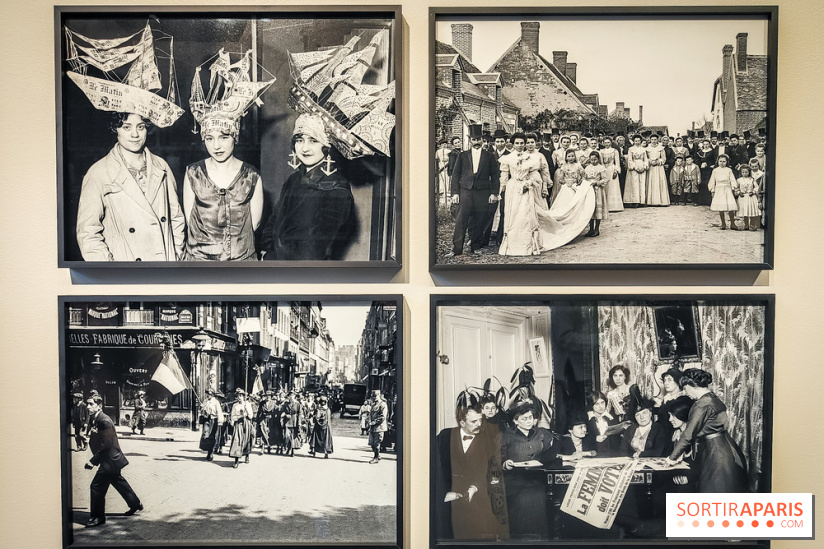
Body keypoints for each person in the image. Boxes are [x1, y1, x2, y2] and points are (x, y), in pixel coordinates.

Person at [76, 112, 186, 261]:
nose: (135, 134)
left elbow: (176, 217)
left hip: (163, 266)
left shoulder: (162, 166)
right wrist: (108, 268)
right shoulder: (99, 172)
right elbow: (88, 231)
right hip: (124, 268)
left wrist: (176, 254)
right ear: (116, 129)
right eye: (127, 127)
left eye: (140, 127)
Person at [260, 113, 356, 260]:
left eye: (313, 141)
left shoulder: (337, 189)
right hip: (278, 266)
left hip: (308, 272)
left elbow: (313, 251)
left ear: (327, 145)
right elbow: (274, 220)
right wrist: (266, 249)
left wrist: (271, 257)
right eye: (299, 140)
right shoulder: (293, 180)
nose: (304, 148)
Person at [182, 122, 263, 261]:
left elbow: (254, 224)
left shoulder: (251, 175)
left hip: (241, 262)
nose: (216, 146)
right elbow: (190, 221)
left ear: (235, 137)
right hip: (199, 262)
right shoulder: (193, 172)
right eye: (209, 138)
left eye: (224, 137)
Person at [665, 369, 748, 493]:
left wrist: (672, 458)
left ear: (689, 386)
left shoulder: (702, 404)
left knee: (714, 490)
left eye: (685, 388)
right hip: (726, 447)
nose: (685, 392)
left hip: (715, 452)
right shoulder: (714, 398)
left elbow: (688, 434)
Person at [435, 405, 509, 541]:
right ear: (462, 423)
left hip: (479, 489)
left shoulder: (488, 440)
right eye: (474, 422)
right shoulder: (445, 436)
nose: (479, 425)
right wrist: (445, 492)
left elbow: (491, 471)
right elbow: (434, 468)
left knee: (480, 523)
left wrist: (474, 488)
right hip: (449, 490)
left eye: (480, 420)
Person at [83, 396, 143, 527]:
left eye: (90, 404)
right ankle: (135, 504)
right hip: (110, 460)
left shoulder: (105, 420)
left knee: (96, 487)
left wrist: (93, 461)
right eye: (87, 404)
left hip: (110, 461)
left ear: (99, 405)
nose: (88, 407)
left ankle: (98, 517)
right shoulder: (96, 418)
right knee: (118, 481)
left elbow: (107, 444)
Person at [501, 403, 557, 540]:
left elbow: (554, 449)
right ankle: (519, 539)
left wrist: (547, 459)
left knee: (539, 496)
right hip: (514, 477)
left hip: (537, 476)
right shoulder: (507, 436)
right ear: (515, 421)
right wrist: (505, 464)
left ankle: (540, 538)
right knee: (521, 498)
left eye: (530, 418)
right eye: (524, 419)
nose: (528, 421)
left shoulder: (541, 433)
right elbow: (497, 458)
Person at [448, 124, 500, 257]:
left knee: (479, 220)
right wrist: (454, 193)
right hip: (465, 191)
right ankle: (456, 249)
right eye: (473, 139)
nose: (476, 142)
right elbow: (455, 175)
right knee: (461, 220)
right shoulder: (463, 156)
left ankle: (475, 247)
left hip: (483, 192)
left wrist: (494, 193)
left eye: (478, 139)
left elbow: (495, 177)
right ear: (470, 140)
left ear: (482, 140)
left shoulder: (489, 156)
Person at [498, 132, 549, 256]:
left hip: (526, 187)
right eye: (517, 143)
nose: (520, 146)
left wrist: (528, 184)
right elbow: (504, 176)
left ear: (525, 144)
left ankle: (527, 246)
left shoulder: (532, 158)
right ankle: (511, 246)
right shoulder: (508, 158)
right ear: (513, 144)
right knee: (513, 214)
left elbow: (535, 176)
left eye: (522, 143)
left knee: (526, 215)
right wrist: (501, 190)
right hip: (513, 187)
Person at [585, 391, 627, 457]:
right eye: (597, 404)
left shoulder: (611, 417)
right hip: (593, 454)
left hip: (611, 454)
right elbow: (579, 438)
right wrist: (594, 439)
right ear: (591, 405)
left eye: (602, 403)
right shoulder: (586, 419)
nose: (600, 406)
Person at [708, 154, 739, 230]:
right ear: (717, 161)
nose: (722, 163)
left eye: (724, 161)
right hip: (719, 189)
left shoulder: (729, 170)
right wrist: (712, 190)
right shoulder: (715, 170)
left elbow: (732, 179)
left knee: (730, 207)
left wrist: (734, 187)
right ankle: (723, 223)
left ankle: (732, 223)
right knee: (721, 206)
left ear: (727, 162)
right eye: (720, 161)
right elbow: (712, 181)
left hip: (727, 189)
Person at [584, 151, 609, 237]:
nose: (593, 161)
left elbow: (605, 179)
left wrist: (597, 183)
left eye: (595, 159)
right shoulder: (587, 168)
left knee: (597, 208)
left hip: (598, 190)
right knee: (591, 208)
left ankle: (597, 229)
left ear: (598, 159)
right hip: (589, 189)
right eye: (591, 160)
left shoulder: (601, 168)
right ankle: (591, 229)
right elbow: (584, 177)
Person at [229, 389, 254, 468]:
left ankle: (247, 455)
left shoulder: (247, 404)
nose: (239, 397)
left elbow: (251, 416)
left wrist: (246, 410)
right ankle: (236, 460)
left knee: (246, 440)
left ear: (243, 396)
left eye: (241, 396)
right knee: (237, 441)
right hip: (238, 424)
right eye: (238, 396)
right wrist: (237, 418)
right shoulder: (235, 405)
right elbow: (232, 416)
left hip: (246, 424)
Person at [733, 164, 761, 231]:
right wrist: (739, 192)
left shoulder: (752, 179)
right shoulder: (739, 180)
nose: (745, 174)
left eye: (746, 172)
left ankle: (752, 224)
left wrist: (753, 192)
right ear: (741, 172)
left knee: (751, 210)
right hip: (743, 197)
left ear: (749, 172)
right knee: (744, 211)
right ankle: (746, 224)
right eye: (743, 172)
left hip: (750, 197)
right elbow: (736, 188)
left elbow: (757, 187)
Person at [199, 389, 225, 461]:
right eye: (207, 394)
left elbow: (219, 412)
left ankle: (210, 453)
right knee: (205, 435)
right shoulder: (205, 401)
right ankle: (208, 450)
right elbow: (202, 411)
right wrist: (202, 408)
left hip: (213, 420)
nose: (208, 395)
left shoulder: (216, 402)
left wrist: (220, 421)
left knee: (212, 437)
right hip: (206, 420)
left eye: (209, 394)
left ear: (212, 394)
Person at [645, 133, 670, 206]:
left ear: (657, 140)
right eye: (652, 139)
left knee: (659, 181)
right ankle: (650, 201)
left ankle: (661, 200)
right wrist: (650, 162)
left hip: (659, 168)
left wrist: (658, 161)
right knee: (651, 182)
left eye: (655, 139)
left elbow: (664, 158)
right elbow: (645, 158)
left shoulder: (661, 148)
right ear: (650, 140)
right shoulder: (647, 148)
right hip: (651, 168)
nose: (653, 141)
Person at [599, 136, 623, 212]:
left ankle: (614, 206)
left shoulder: (614, 151)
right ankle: (605, 206)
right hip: (604, 169)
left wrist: (616, 171)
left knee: (613, 187)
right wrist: (602, 170)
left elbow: (617, 161)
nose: (607, 144)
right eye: (605, 142)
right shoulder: (601, 151)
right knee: (605, 186)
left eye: (608, 142)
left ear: (611, 143)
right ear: (603, 143)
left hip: (612, 169)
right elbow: (601, 162)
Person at [623, 134, 648, 207]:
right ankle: (635, 201)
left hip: (642, 165)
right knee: (634, 184)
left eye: (639, 141)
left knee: (642, 183)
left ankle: (642, 201)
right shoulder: (631, 149)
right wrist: (635, 167)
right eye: (636, 141)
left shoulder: (643, 149)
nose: (637, 142)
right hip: (634, 167)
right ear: (633, 141)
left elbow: (645, 159)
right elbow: (630, 159)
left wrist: (644, 166)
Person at [368, 390, 389, 464]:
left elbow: (383, 416)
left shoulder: (383, 405)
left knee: (376, 443)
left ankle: (375, 458)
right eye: (373, 396)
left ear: (379, 395)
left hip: (379, 427)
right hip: (372, 427)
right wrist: (369, 422)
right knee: (371, 443)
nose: (374, 398)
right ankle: (378, 455)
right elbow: (370, 414)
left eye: (375, 396)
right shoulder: (373, 405)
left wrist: (374, 422)